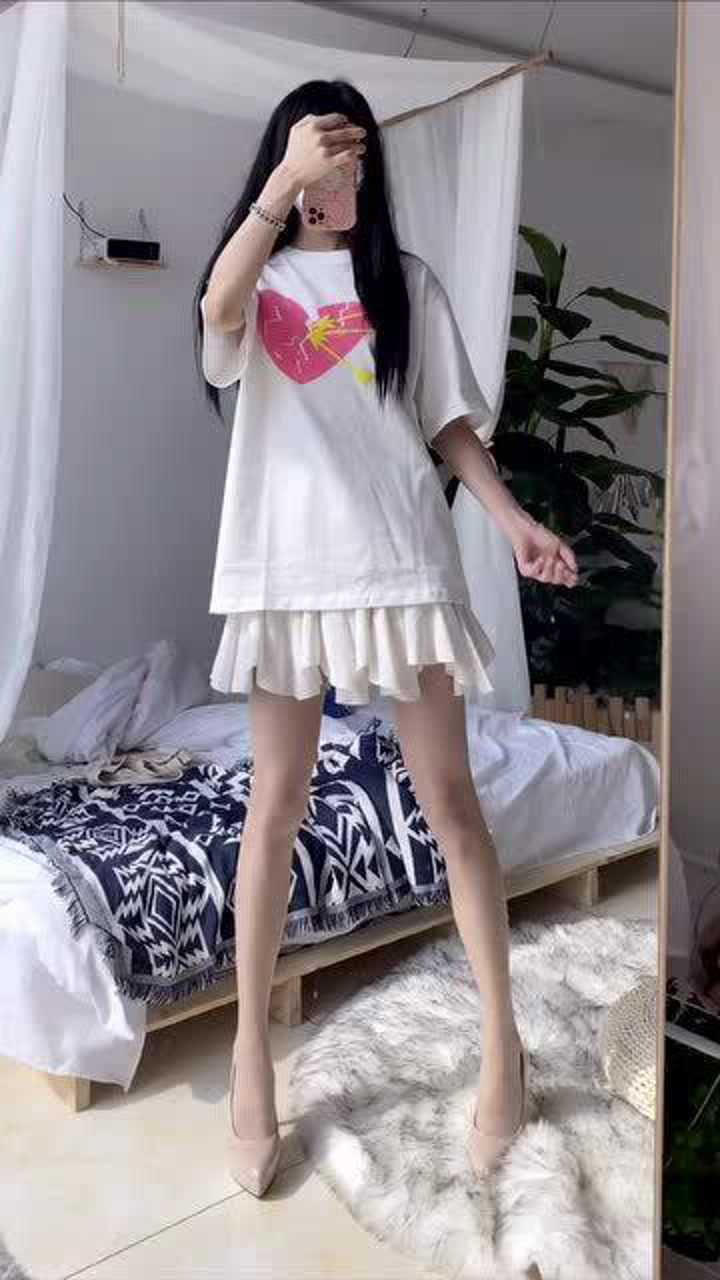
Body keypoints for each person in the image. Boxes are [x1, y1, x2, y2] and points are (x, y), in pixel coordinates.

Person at [193, 78, 578, 1198]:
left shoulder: (402, 283)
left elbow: (447, 424)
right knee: (275, 804)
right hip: (283, 570)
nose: (341, 176)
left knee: (452, 803)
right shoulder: (259, 274)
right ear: (288, 162)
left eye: (354, 158)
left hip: (401, 563)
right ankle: (250, 1051)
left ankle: (501, 1041)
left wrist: (512, 521)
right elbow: (217, 314)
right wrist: (283, 186)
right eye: (324, 155)